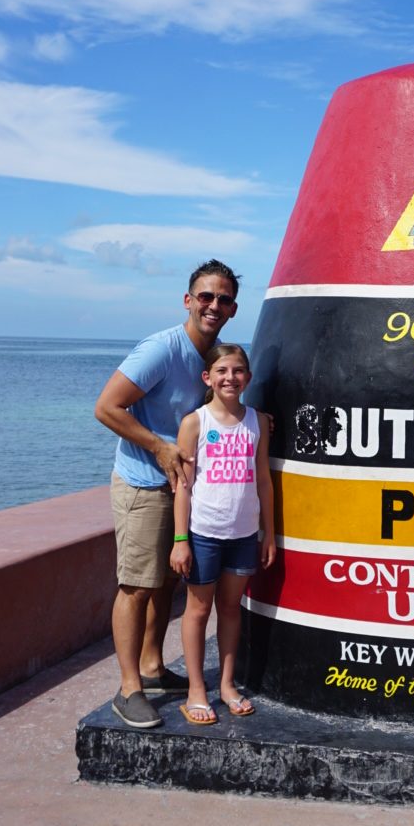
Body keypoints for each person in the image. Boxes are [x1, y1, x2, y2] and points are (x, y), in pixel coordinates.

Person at [95, 260, 240, 729]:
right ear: (188, 300)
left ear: (233, 308)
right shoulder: (161, 349)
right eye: (206, 297)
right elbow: (106, 406)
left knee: (166, 583)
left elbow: (214, 404)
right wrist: (158, 447)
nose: (213, 305)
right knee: (136, 586)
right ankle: (129, 687)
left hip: (180, 487)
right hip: (143, 482)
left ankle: (154, 667)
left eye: (222, 299)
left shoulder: (208, 355)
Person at [169, 344, 276, 722]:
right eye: (222, 371)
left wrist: (269, 533)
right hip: (204, 534)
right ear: (208, 378)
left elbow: (263, 480)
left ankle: (228, 684)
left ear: (248, 377)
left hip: (244, 534)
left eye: (238, 370)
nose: (230, 378)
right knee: (198, 610)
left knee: (231, 610)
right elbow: (182, 486)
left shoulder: (258, 422)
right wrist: (181, 540)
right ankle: (197, 690)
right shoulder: (195, 423)